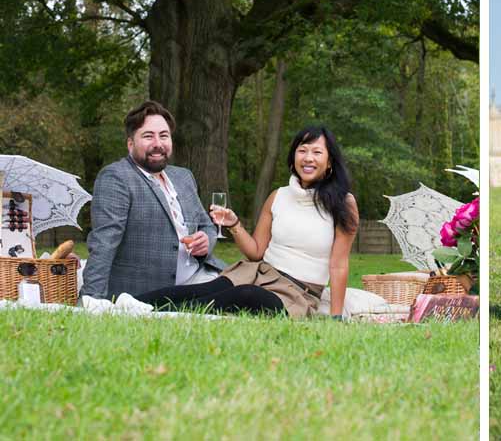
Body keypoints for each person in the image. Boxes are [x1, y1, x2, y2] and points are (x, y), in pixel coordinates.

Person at [137, 125, 359, 319]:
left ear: (329, 162)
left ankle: (163, 314)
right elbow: (256, 252)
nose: (308, 158)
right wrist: (234, 224)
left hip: (297, 292)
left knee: (247, 295)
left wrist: (336, 317)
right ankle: (127, 304)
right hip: (258, 271)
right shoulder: (278, 196)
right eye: (302, 151)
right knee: (208, 288)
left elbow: (338, 265)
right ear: (293, 159)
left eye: (317, 152)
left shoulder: (343, 203)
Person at [81, 101, 224, 300]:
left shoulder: (183, 177)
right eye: (148, 136)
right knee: (248, 296)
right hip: (152, 291)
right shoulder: (116, 177)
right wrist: (90, 299)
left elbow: (206, 225)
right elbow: (104, 242)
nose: (158, 143)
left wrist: (206, 241)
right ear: (130, 144)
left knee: (258, 288)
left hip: (200, 275)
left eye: (164, 135)